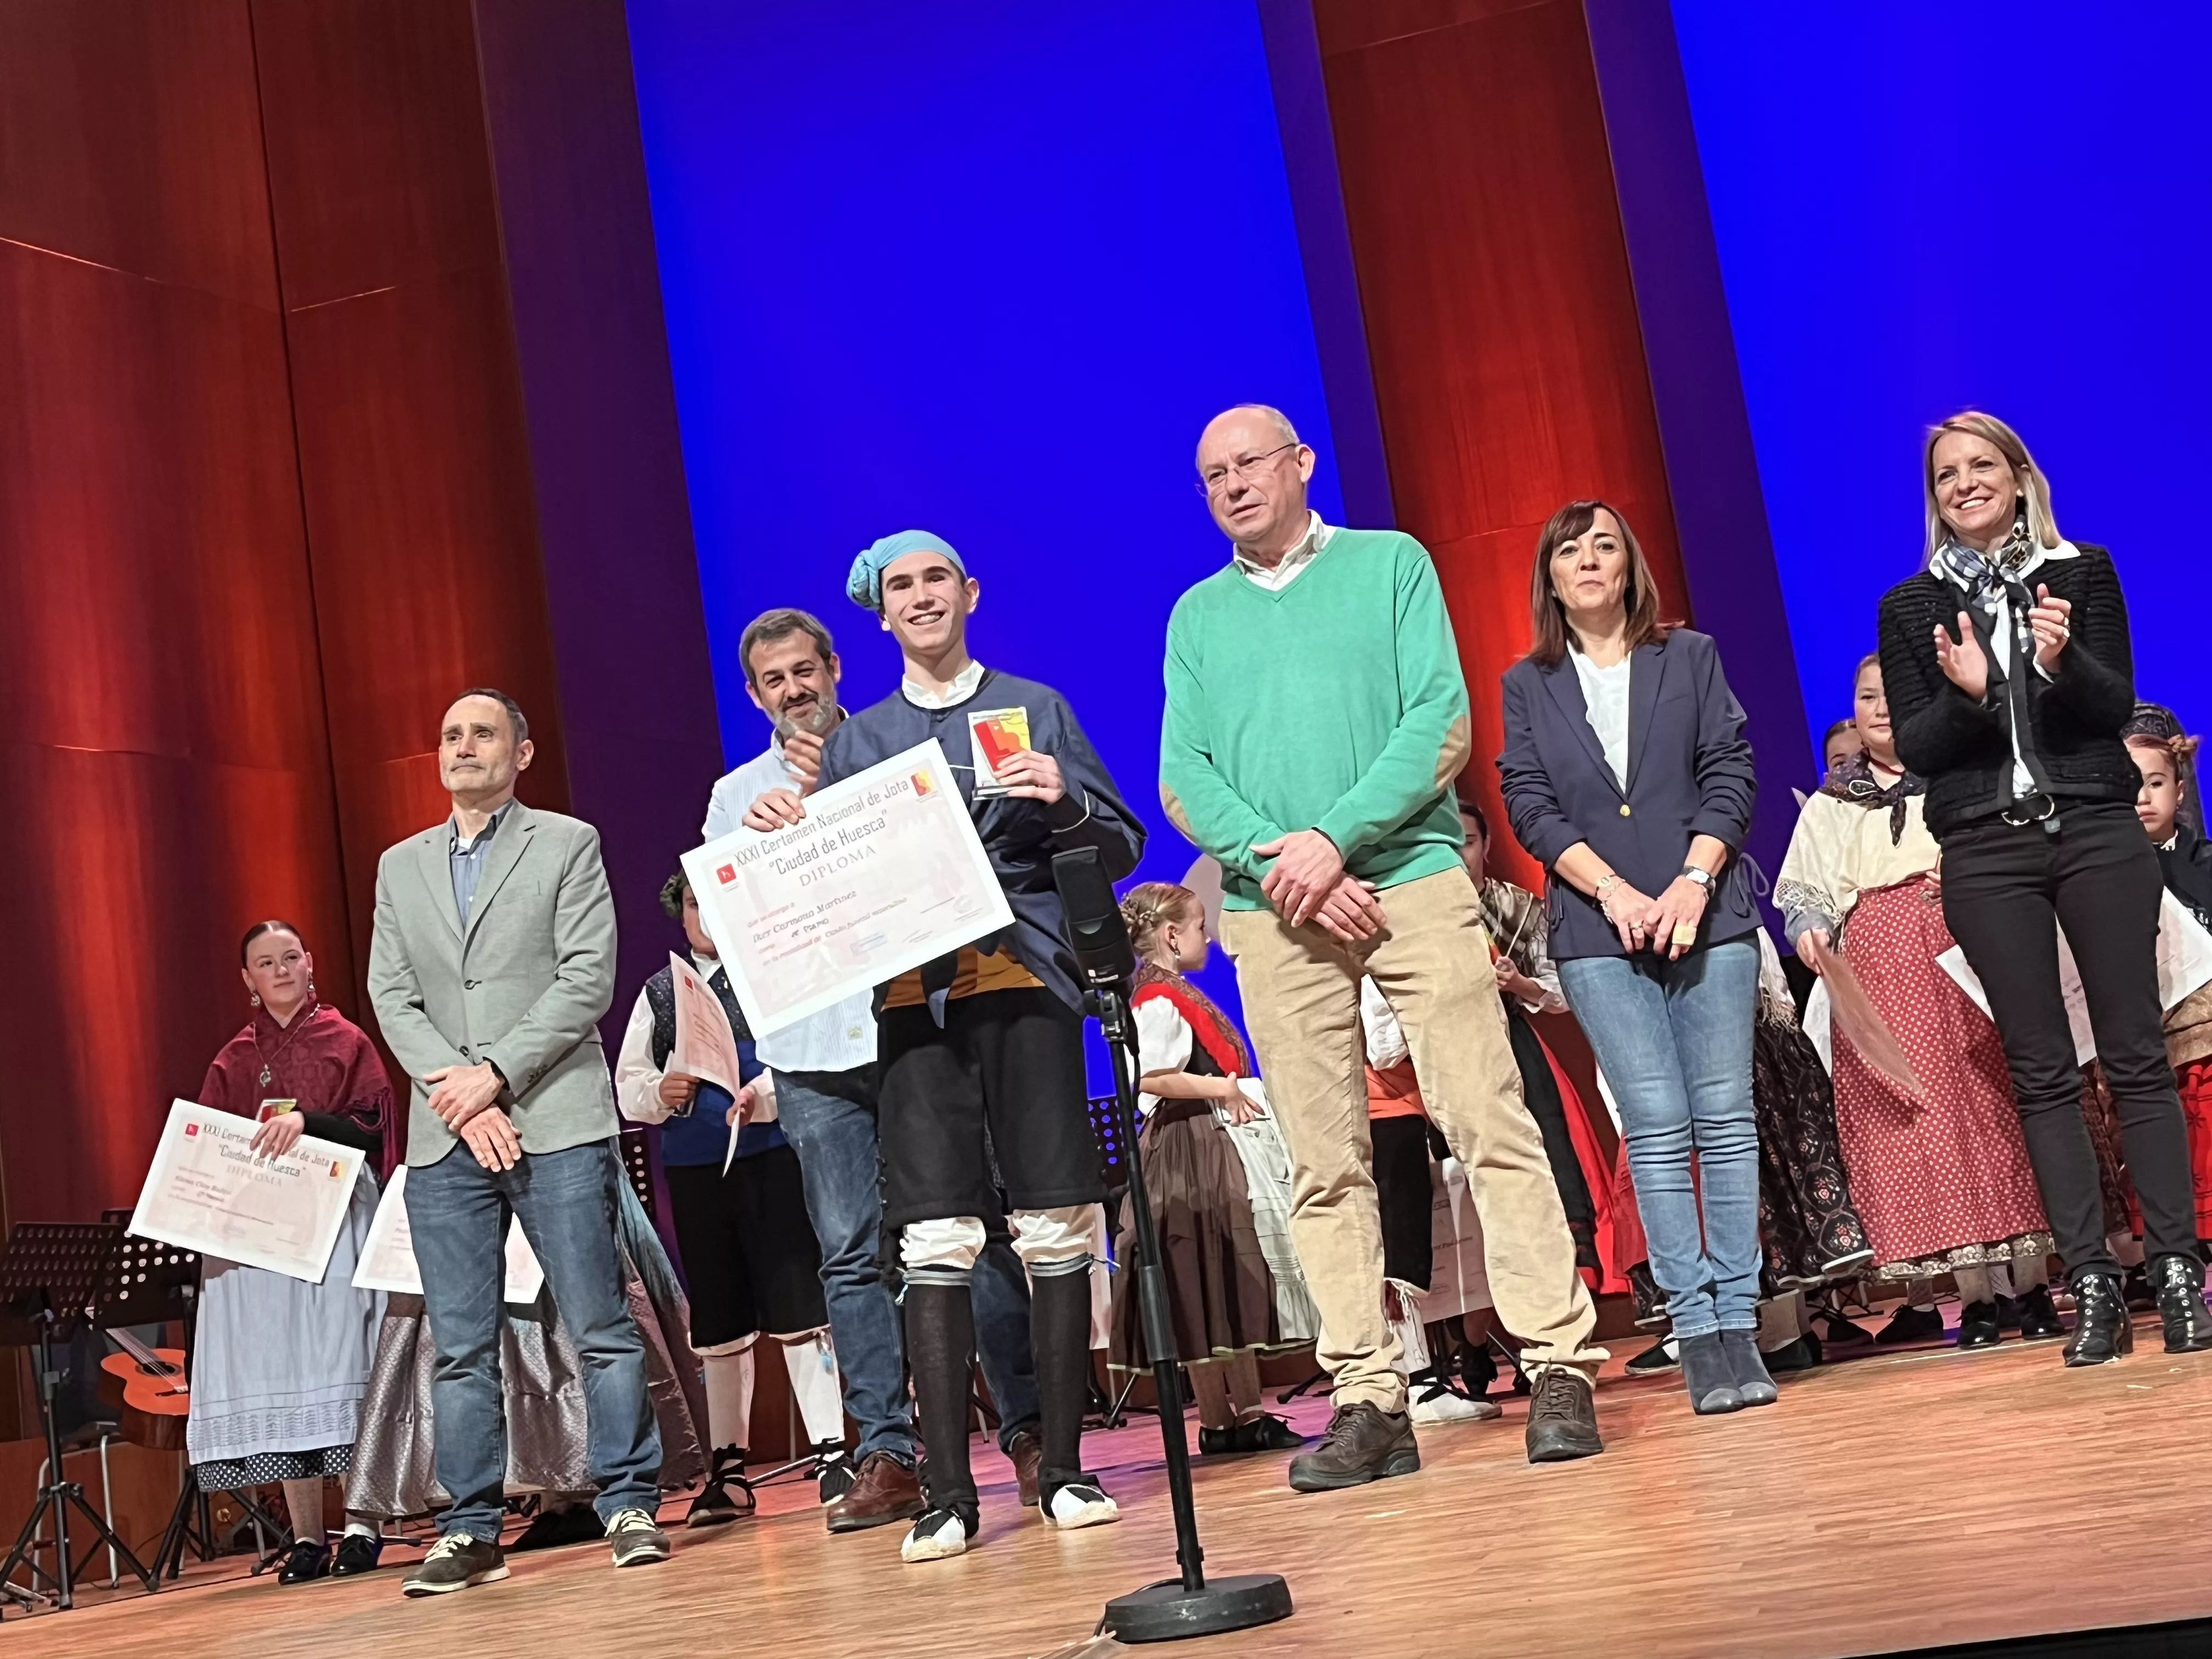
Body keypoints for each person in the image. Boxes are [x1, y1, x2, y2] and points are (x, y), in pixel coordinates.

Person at [1160, 404, 1606, 1486]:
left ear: (1302, 463)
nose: (1230, 485)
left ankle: (1558, 1363)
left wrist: (1334, 841)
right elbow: (1185, 775)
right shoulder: (1197, 616)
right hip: (1278, 913)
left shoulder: (1389, 566)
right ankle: (1367, 1395)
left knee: (1488, 1120)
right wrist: (1285, 865)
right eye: (1211, 473)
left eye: (1248, 464)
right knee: (1323, 1161)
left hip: (1408, 881)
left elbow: (1439, 722)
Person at [744, 535, 1144, 1561]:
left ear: (968, 593)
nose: (919, 598)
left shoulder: (1035, 705)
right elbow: (827, 896)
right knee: (933, 1236)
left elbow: (1121, 844)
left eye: (935, 580)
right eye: (899, 588)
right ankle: (950, 1493)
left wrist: (1067, 796)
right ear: (880, 615)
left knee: (1054, 1221)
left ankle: (1061, 1468)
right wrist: (783, 837)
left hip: (1029, 985)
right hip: (915, 1009)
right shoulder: (860, 739)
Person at [1875, 411, 2212, 1365]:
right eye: (1947, 473)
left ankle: (2178, 1271)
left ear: (2019, 478)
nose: (1965, 483)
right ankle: (2092, 1284)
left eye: (1983, 465)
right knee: (2041, 1071)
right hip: (1986, 848)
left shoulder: (2081, 572)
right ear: (1933, 496)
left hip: (2097, 830)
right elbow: (1918, 747)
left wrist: (2056, 665)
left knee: (2134, 1054)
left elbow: (2114, 708)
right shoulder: (1909, 606)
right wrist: (1975, 688)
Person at [704, 606, 1048, 1536]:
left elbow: (946, 873)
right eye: (772, 679)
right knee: (850, 1256)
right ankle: (887, 1453)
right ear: (754, 693)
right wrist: (763, 842)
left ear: (832, 666)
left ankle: (1025, 1429)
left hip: (916, 1027)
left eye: (803, 670)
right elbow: (722, 928)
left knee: (968, 1230)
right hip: (812, 1057)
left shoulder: (891, 752)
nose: (792, 689)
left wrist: (844, 796)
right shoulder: (735, 794)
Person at [366, 688, 669, 1595]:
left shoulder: (567, 843)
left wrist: (493, 1074)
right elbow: (393, 995)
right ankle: (468, 1526)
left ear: (521, 752)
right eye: (451, 735)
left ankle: (627, 1498)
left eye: (482, 732)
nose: (463, 746)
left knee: (599, 1325)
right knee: (459, 1345)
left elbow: (586, 980)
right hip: (447, 1135)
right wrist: (464, 1097)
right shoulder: (400, 864)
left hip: (557, 1119)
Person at [1498, 499, 1769, 1417]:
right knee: (1654, 1124)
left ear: (1628, 565)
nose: (1586, 560)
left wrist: (1692, 881)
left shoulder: (1687, 656)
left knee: (1724, 1116)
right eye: (1567, 549)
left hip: (1709, 913)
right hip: (1595, 927)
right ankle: (1694, 1327)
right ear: (1548, 575)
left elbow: (1732, 771)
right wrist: (1612, 891)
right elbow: (1529, 804)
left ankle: (1740, 1317)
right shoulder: (1526, 682)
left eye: (1603, 545)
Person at [1777, 653, 2055, 1348]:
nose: (1880, 709)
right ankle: (1975, 1298)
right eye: (1867, 696)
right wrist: (1811, 933)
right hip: (1879, 983)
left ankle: (2033, 1284)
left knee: (1991, 1112)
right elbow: (1804, 892)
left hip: (1964, 960)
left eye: (1894, 696)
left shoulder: (1962, 778)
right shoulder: (1833, 803)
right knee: (1924, 1127)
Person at [614, 868, 845, 1526]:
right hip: (695, 1171)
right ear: (678, 913)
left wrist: (764, 1095)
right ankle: (729, 1469)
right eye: (692, 904)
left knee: (799, 1300)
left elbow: (807, 1054)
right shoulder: (661, 994)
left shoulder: (769, 974)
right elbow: (629, 1081)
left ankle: (833, 1452)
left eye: (714, 904)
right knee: (717, 1317)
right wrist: (663, 1092)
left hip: (771, 1158)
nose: (704, 918)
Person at [191, 921, 392, 1583]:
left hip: (333, 1224)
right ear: (247, 980)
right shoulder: (232, 1059)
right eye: (263, 964)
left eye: (288, 958)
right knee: (280, 1369)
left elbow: (372, 1126)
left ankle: (363, 1525)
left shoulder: (346, 1040)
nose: (278, 971)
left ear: (310, 964)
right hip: (260, 1239)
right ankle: (308, 1537)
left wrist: (308, 1122)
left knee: (345, 1357)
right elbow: (208, 1144)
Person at [1108, 882, 1309, 1451]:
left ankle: (1241, 1415)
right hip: (1187, 1150)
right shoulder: (1155, 997)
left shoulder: (1172, 990)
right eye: (1200, 926)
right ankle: (1222, 1419)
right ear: (1172, 935)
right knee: (1201, 1280)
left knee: (1219, 1281)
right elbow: (1149, 1075)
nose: (1209, 936)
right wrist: (1220, 1088)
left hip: (1206, 1144)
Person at [1454, 795, 1616, 1283]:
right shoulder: (1426, 913)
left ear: (1488, 845)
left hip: (1514, 1038)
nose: (1457, 854)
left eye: (1467, 842)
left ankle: (1569, 1265)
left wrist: (1519, 985)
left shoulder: (1517, 907)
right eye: (1444, 843)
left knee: (1548, 1139)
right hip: (1451, 1049)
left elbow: (1560, 991)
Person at [2122, 703, 2212, 1247]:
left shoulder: (2205, 862)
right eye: (2131, 784)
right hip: (2143, 1035)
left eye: (2155, 783)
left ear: (2180, 790)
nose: (2142, 797)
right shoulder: (2102, 877)